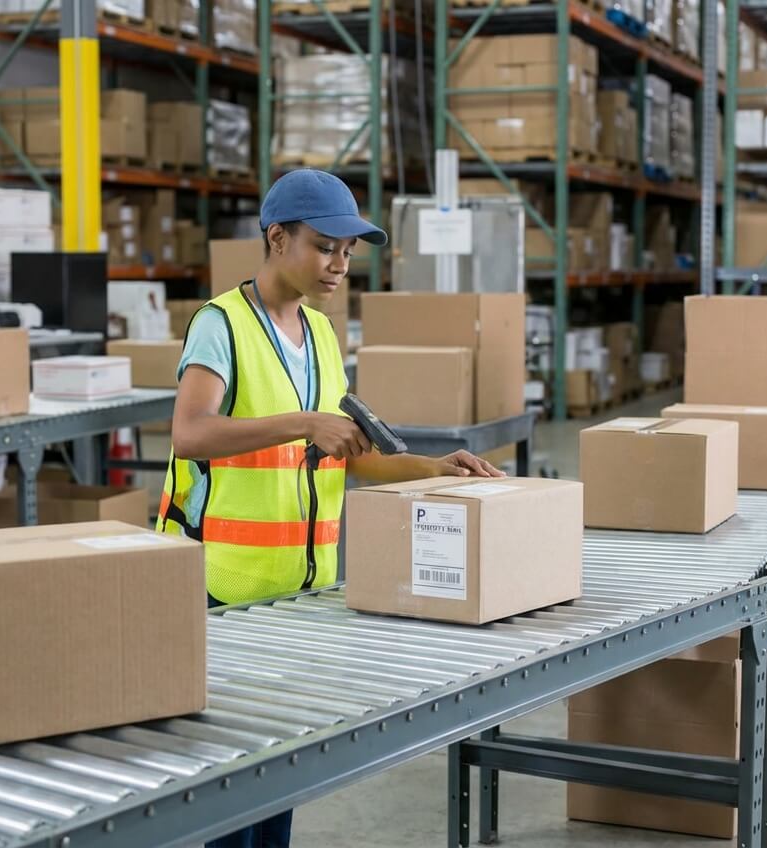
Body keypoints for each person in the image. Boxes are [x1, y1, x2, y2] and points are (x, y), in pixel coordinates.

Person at [157, 169, 503, 848]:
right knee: (229, 792)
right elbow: (190, 432)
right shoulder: (220, 324)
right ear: (277, 237)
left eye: (348, 252)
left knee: (281, 780)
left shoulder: (320, 335)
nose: (340, 265)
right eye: (325, 247)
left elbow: (344, 454)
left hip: (301, 595)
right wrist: (301, 422)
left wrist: (432, 469)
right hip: (221, 593)